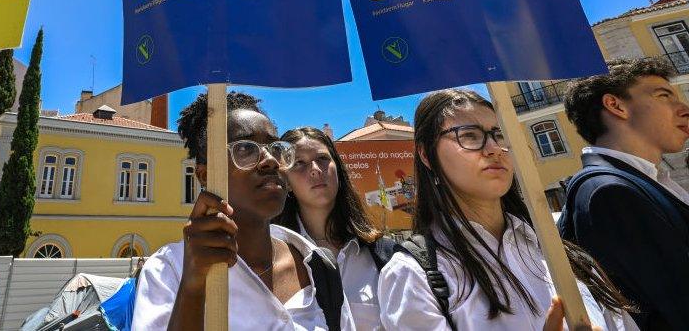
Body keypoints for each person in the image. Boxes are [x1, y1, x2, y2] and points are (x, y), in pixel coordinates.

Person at [377, 88, 636, 330]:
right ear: (425, 155)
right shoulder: (411, 276)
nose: (493, 149)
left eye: (499, 135)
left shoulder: (560, 252)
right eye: (469, 135)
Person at [132, 91, 355, 330]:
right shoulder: (170, 270)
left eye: (275, 147)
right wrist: (193, 288)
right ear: (204, 175)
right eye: (246, 149)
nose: (270, 160)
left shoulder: (318, 266)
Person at [560, 57, 689, 329]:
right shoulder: (609, 192)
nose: (684, 108)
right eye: (664, 95)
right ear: (616, 105)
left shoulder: (639, 182)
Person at [273, 126, 385, 330]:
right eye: (299, 163)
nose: (315, 169)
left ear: (338, 170)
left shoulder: (382, 256)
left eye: (323, 159)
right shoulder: (273, 258)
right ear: (286, 181)